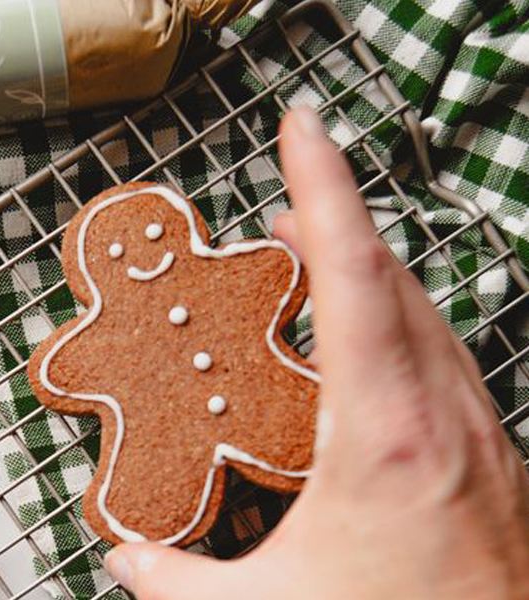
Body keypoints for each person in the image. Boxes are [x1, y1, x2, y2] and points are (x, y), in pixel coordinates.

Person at [103, 107, 529, 599]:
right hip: (159, 435)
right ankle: (150, 501)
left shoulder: (217, 279)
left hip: (259, 395)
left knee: (290, 427)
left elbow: (267, 271)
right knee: (152, 487)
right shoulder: (108, 328)